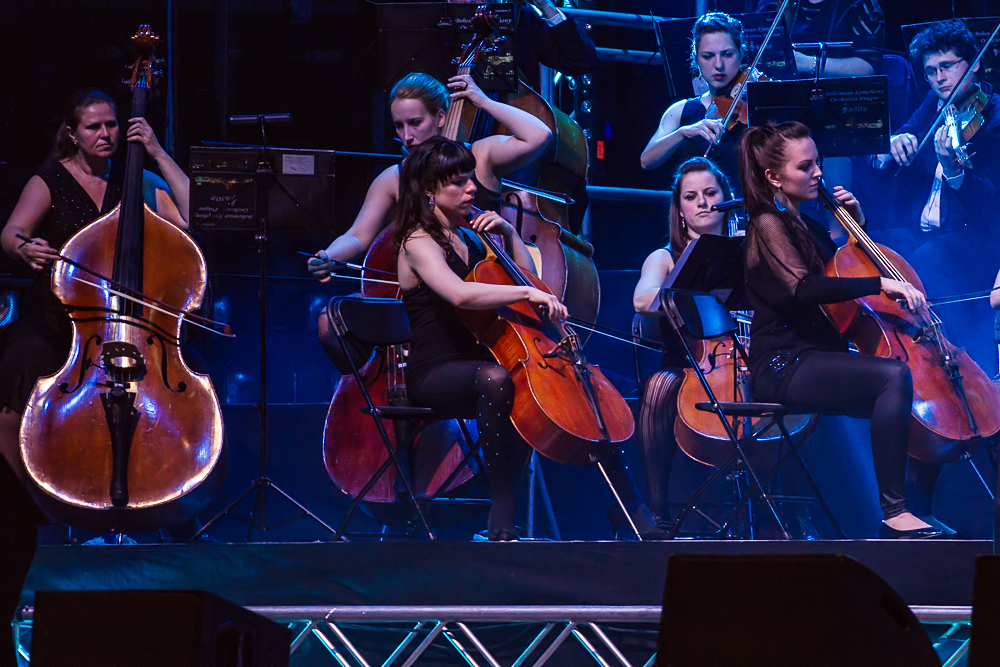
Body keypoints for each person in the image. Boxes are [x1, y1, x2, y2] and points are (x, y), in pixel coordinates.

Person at [397, 136, 665, 540]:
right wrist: (526, 293)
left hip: (488, 362)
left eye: (472, 179)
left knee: (578, 388)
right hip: (436, 371)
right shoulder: (417, 242)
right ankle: (503, 508)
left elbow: (527, 277)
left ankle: (631, 508)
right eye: (459, 182)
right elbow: (460, 294)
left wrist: (508, 232)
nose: (472, 188)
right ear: (429, 189)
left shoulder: (472, 237)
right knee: (497, 381)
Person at [0, 90, 192, 542]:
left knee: (184, 385)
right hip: (57, 317)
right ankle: (22, 512)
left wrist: (157, 152)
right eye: (93, 127)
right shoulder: (50, 179)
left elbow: (191, 214)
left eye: (111, 124)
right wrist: (24, 247)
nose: (106, 134)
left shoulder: (135, 180)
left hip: (126, 323)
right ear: (72, 133)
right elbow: (11, 232)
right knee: (12, 391)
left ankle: (169, 509)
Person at [740, 120, 943, 538]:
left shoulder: (808, 227)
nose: (818, 173)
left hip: (817, 356)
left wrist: (857, 227)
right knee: (892, 377)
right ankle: (894, 511)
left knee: (925, 402)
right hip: (782, 363)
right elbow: (805, 288)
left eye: (818, 164)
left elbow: (842, 271)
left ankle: (917, 507)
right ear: (773, 177)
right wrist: (881, 283)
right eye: (805, 166)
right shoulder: (765, 224)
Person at [872, 20, 1000, 533]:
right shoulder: (932, 105)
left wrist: (959, 172)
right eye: (931, 71)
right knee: (867, 245)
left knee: (923, 263)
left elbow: (992, 210)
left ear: (975, 64)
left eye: (949, 67)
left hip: (970, 252)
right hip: (924, 242)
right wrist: (897, 142)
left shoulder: (992, 120)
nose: (940, 79)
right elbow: (903, 147)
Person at [307, 72, 552, 279]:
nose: (407, 135)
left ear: (441, 118)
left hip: (486, 277)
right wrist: (329, 256)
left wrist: (483, 102)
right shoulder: (395, 178)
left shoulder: (481, 154)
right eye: (399, 125)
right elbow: (358, 236)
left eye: (415, 122)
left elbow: (539, 135)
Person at [632, 157, 733, 520]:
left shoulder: (746, 247)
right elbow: (642, 300)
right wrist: (691, 297)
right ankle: (656, 512)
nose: (703, 202)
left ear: (726, 197)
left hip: (743, 362)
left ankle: (782, 513)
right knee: (658, 387)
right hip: (686, 367)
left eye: (710, 193)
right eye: (691, 197)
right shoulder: (665, 257)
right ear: (680, 209)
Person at [640, 13, 746, 188]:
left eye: (727, 55)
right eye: (708, 56)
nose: (718, 64)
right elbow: (647, 160)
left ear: (740, 54)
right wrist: (683, 132)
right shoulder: (681, 110)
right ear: (696, 58)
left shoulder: (754, 102)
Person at [755, 0, 884, 77]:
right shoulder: (770, 4)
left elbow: (868, 66)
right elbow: (753, 57)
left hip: (839, 98)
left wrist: (808, 63)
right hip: (779, 99)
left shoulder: (860, 4)